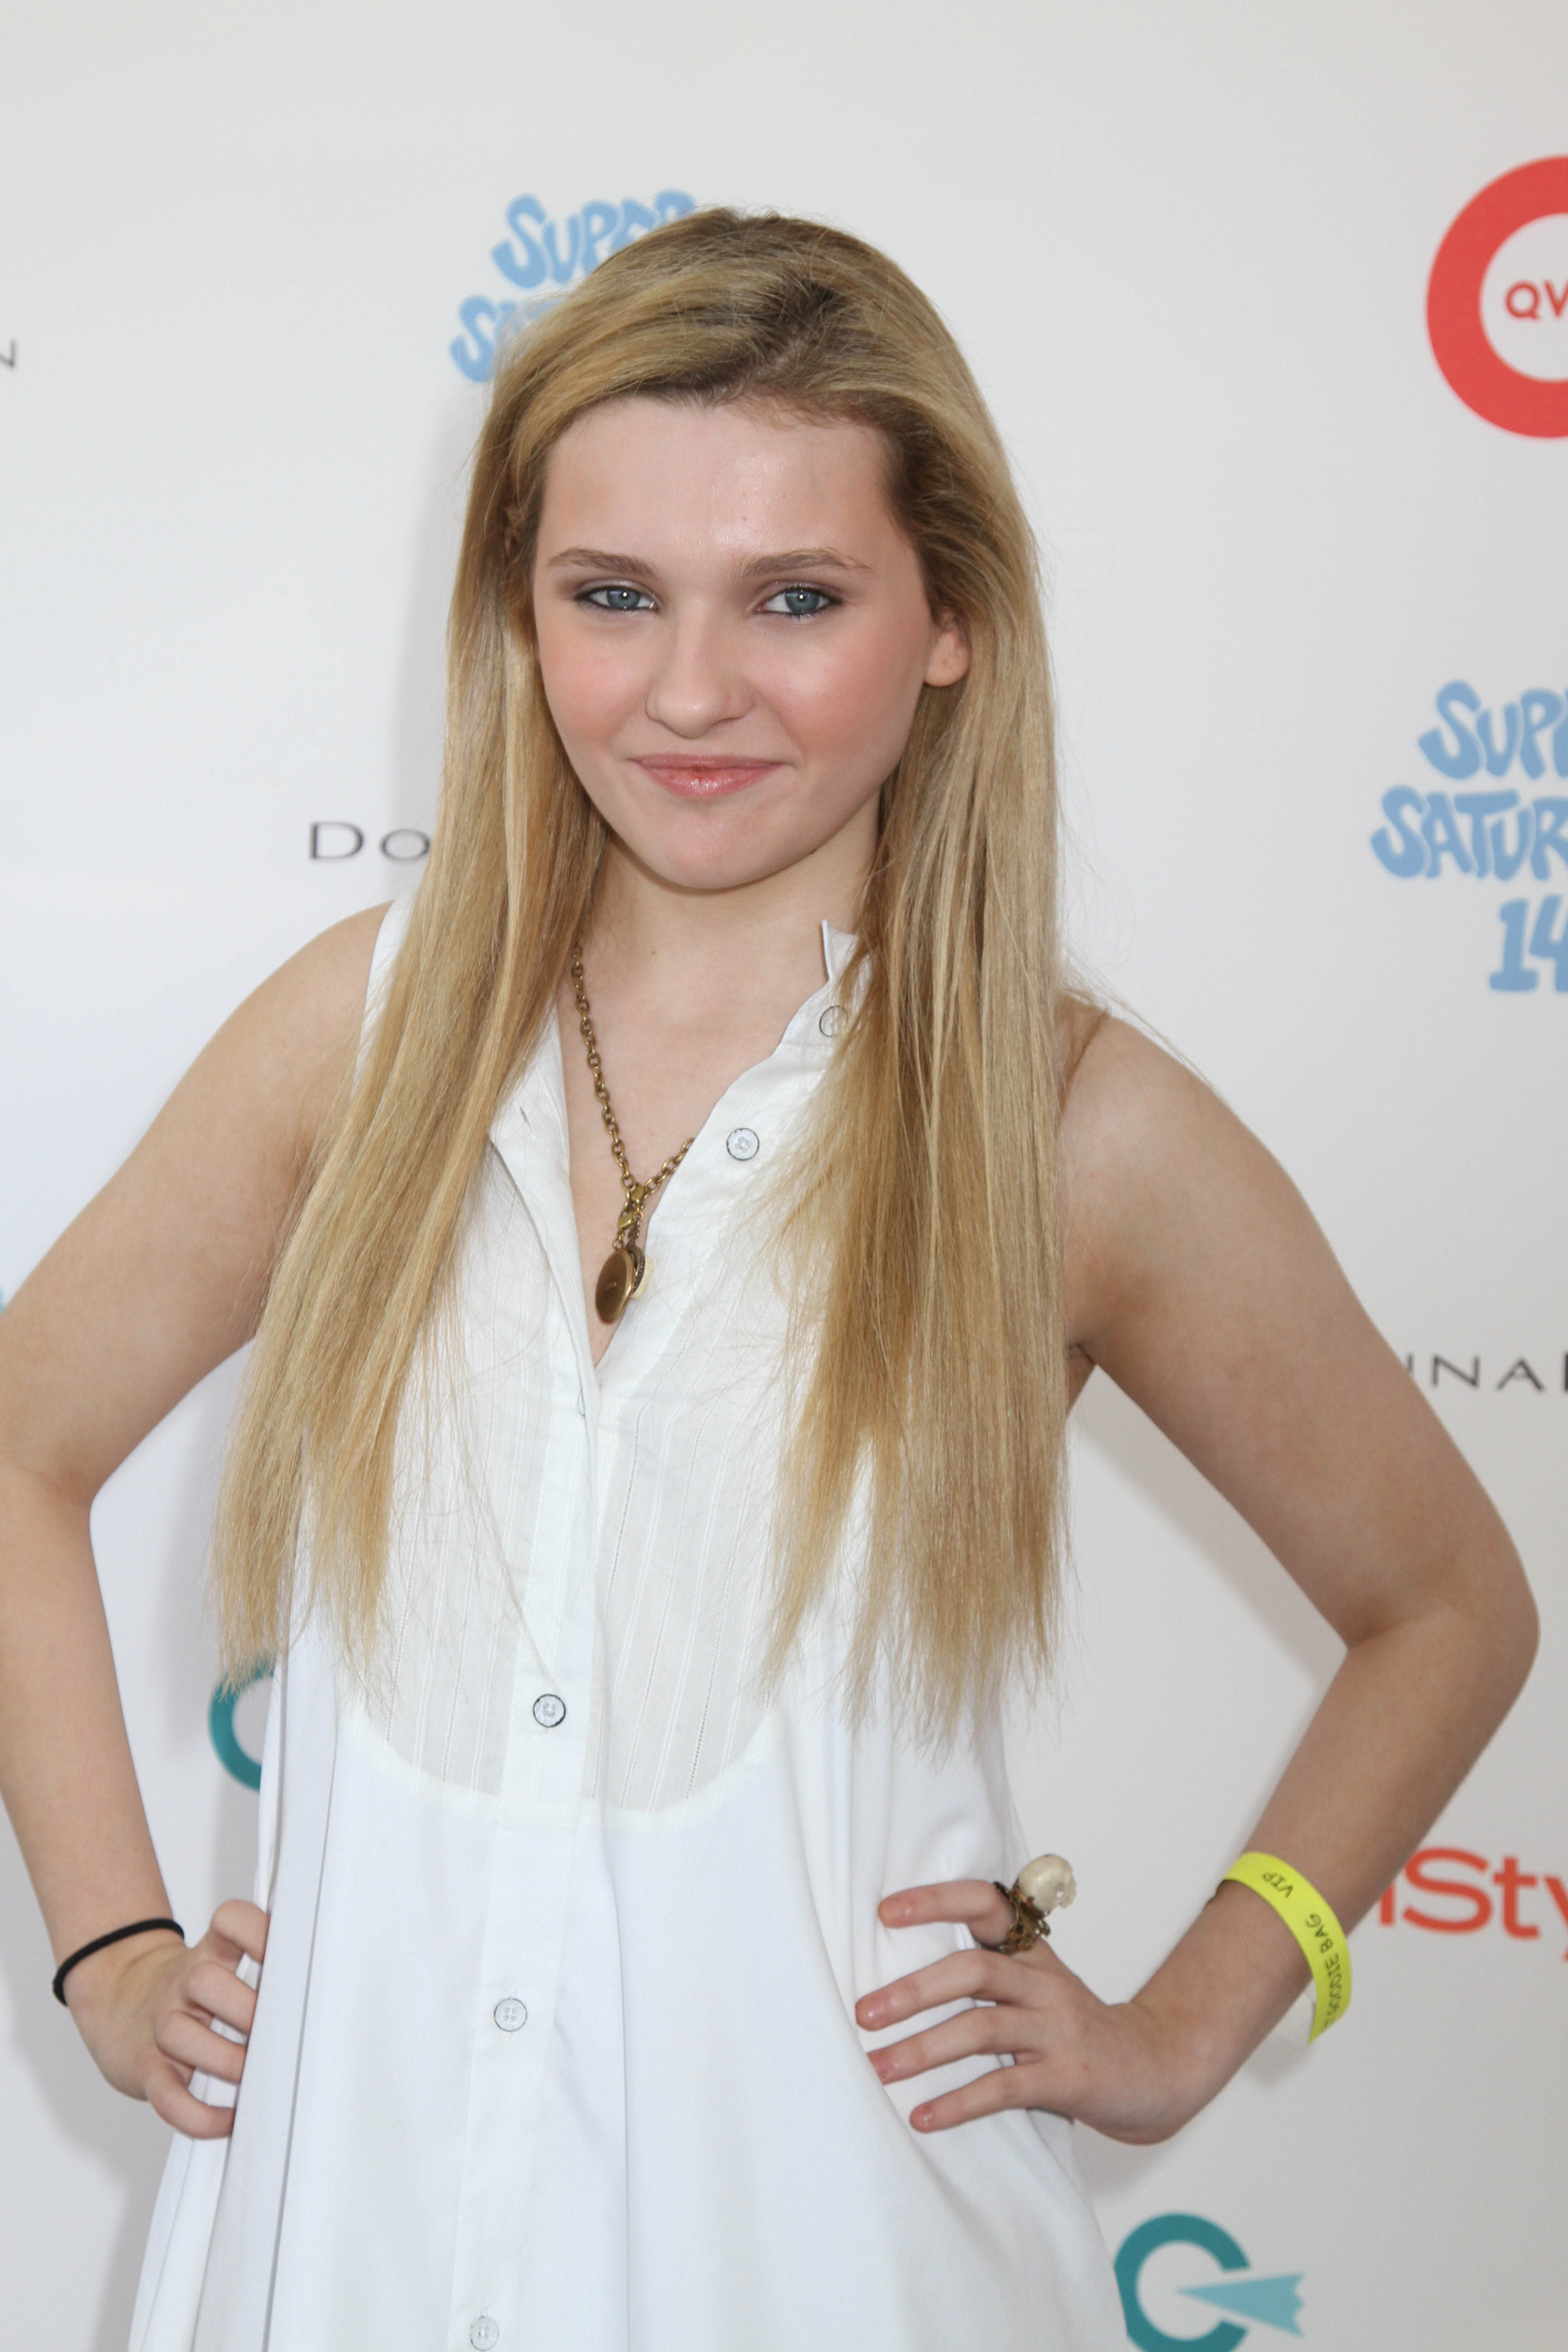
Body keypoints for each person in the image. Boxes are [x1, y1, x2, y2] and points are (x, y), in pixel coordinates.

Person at [0, 210, 1535, 2351]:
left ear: (950, 620)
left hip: (842, 2263)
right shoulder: (359, 1037)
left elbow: (1451, 1606)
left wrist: (1193, 2020)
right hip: (336, 2250)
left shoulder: (1074, 1130)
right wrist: (110, 1954)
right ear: (519, 610)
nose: (692, 690)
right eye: (612, 594)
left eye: (795, 597)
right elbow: (21, 1448)